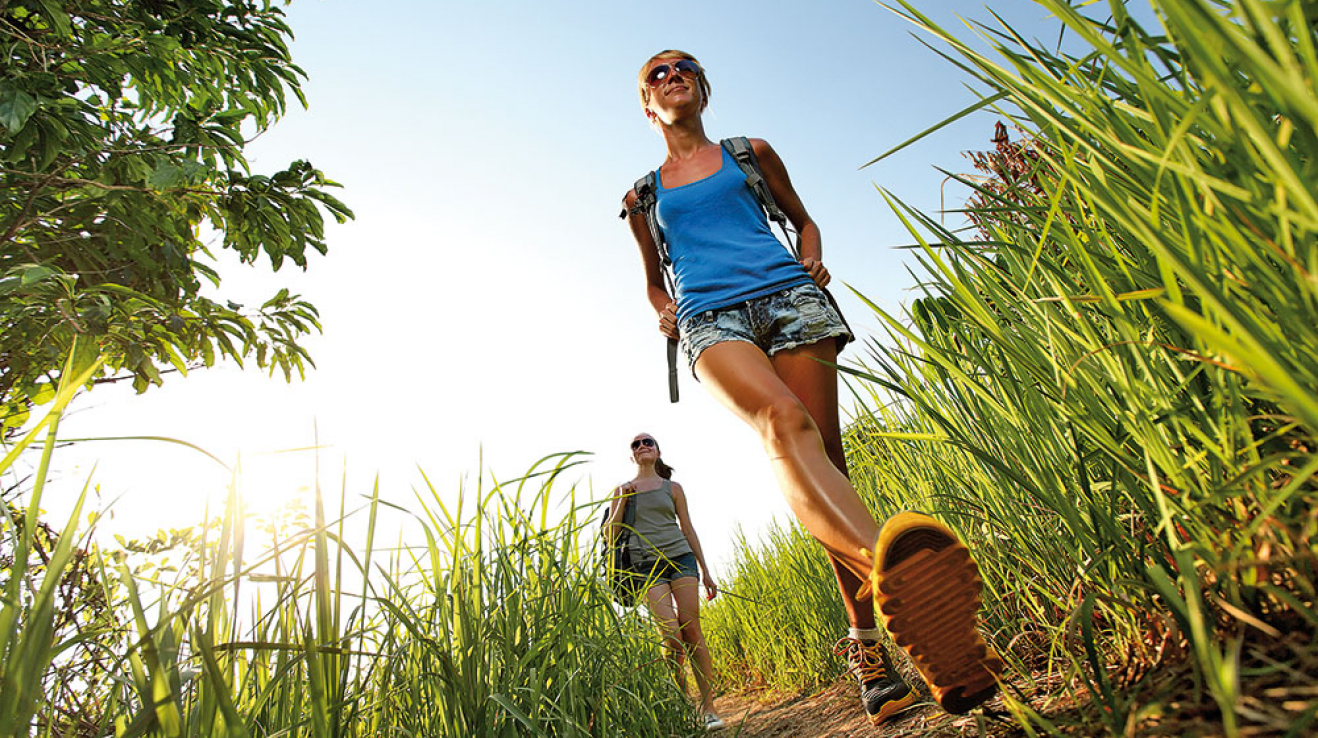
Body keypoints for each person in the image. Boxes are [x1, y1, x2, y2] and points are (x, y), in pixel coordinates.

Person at [620, 50, 1003, 726]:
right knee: (782, 422)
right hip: (712, 319)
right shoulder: (642, 197)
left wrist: (811, 254)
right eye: (658, 73)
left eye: (685, 68)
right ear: (646, 105)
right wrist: (661, 307)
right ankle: (894, 573)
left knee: (826, 461)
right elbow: (655, 276)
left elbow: (803, 220)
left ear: (703, 89)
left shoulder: (751, 152)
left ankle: (875, 664)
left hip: (791, 299)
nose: (673, 75)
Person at [603, 433, 724, 731]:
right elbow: (610, 533)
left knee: (691, 629)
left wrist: (706, 571)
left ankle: (709, 709)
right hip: (646, 566)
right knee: (670, 636)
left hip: (681, 558)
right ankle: (682, 704)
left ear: (657, 452)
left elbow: (688, 527)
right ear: (631, 456)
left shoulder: (673, 488)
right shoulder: (622, 489)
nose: (642, 446)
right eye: (636, 445)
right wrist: (623, 500)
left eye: (648, 442)